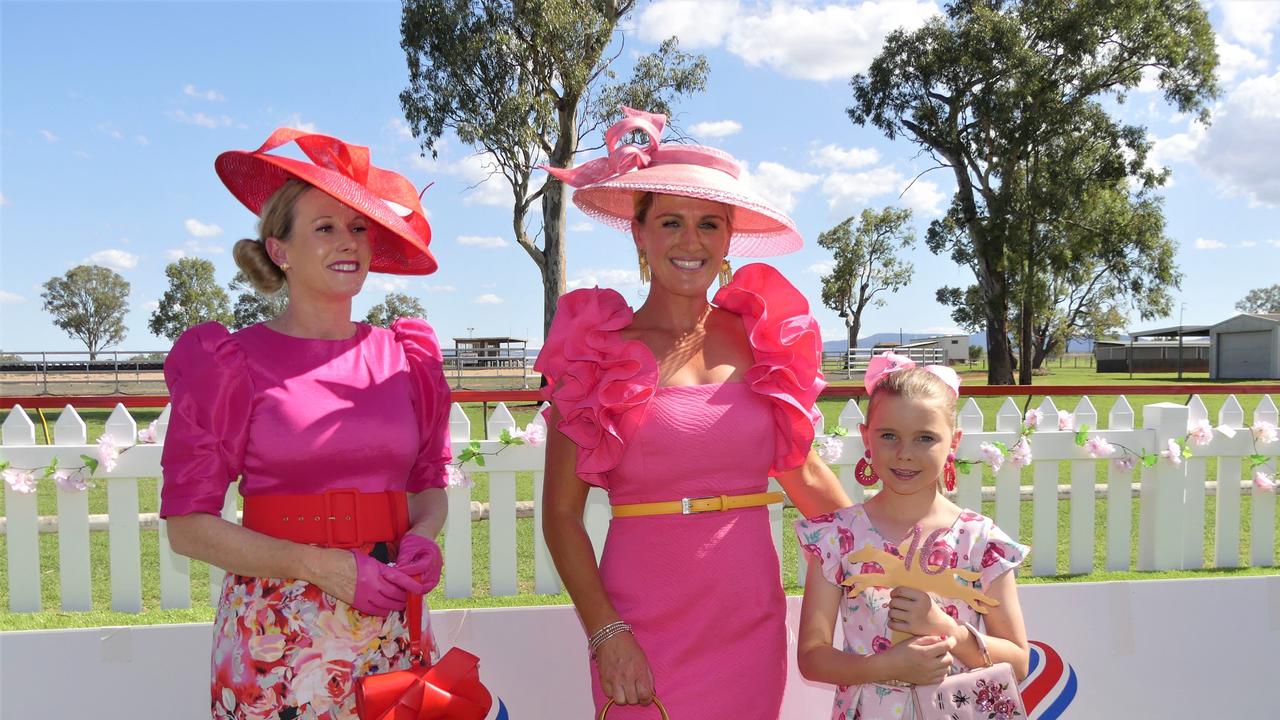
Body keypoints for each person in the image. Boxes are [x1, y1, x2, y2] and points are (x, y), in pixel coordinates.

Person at [537, 107, 852, 719]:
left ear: (729, 236)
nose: (690, 241)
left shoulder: (765, 340)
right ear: (639, 232)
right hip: (638, 632)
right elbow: (560, 516)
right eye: (671, 222)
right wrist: (606, 634)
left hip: (748, 623)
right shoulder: (594, 350)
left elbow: (809, 481)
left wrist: (908, 553)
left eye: (709, 224)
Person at [159, 128, 451, 720]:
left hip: (390, 624)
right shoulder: (229, 364)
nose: (349, 242)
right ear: (280, 249)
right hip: (274, 632)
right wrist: (320, 567)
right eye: (325, 227)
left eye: (358, 227)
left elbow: (429, 488)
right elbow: (188, 529)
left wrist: (420, 537)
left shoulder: (407, 357)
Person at [794, 352, 1030, 720]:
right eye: (889, 435)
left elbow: (1018, 661)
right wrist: (886, 666)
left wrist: (949, 630)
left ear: (953, 442)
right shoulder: (835, 538)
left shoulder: (981, 541)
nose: (905, 454)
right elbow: (812, 658)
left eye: (925, 438)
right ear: (865, 437)